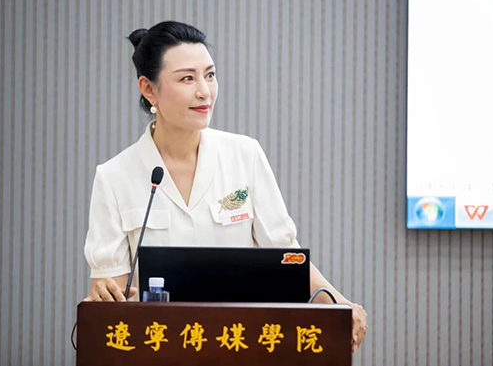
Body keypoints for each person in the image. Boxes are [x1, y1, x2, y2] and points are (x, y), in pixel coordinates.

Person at [82, 21, 368, 352]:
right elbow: (112, 293)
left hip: (240, 346)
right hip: (158, 349)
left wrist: (339, 304)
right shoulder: (114, 177)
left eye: (210, 75)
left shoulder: (244, 155)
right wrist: (103, 295)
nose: (205, 91)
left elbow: (286, 255)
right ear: (149, 89)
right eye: (187, 79)